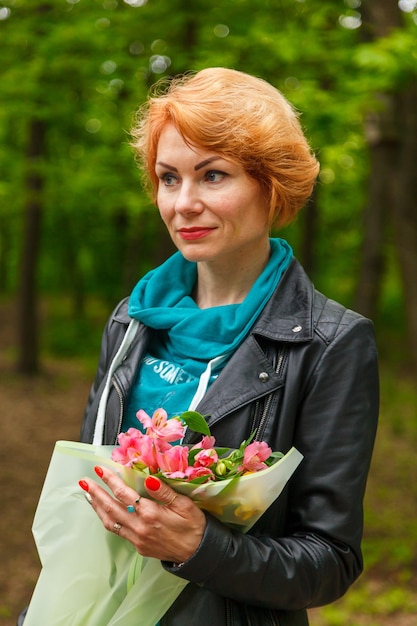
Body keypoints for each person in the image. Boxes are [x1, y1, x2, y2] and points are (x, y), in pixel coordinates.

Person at [34, 68, 380, 625]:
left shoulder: (330, 343)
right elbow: (89, 500)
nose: (183, 203)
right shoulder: (131, 320)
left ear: (272, 185)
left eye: (213, 175)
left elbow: (329, 560)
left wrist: (200, 547)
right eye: (168, 178)